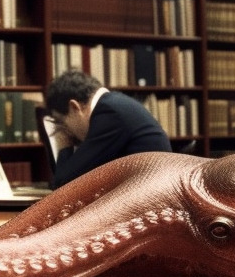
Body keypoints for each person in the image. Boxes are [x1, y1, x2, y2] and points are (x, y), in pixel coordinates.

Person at [42, 69, 171, 188]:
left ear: (74, 107)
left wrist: (64, 147)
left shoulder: (109, 114)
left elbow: (64, 184)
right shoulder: (113, 104)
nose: (64, 130)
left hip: (150, 202)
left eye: (62, 122)